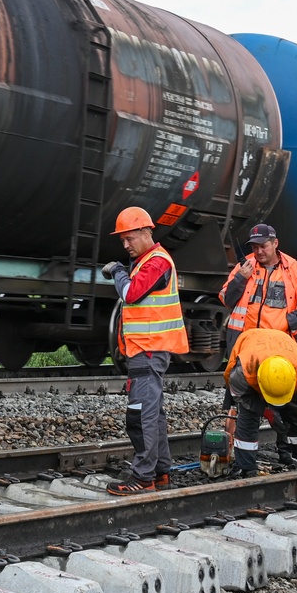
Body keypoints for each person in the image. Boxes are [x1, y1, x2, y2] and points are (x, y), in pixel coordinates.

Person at [219, 223, 297, 463]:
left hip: (282, 348)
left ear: (275, 243)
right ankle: (244, 461)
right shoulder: (245, 267)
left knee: (289, 404)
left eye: (263, 245)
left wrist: (288, 322)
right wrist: (241, 278)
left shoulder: (293, 269)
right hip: (249, 349)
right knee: (246, 408)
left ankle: (290, 453)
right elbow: (226, 299)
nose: (258, 251)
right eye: (254, 246)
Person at [100, 206, 189, 495]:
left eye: (130, 238)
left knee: (140, 416)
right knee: (154, 413)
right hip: (147, 350)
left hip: (149, 350)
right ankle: (160, 471)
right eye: (122, 240)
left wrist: (116, 271)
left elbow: (131, 293)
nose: (126, 245)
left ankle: (143, 477)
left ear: (146, 232)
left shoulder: (156, 262)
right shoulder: (147, 262)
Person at [222, 328, 297, 476]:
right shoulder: (243, 372)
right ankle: (245, 467)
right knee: (248, 416)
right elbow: (240, 396)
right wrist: (266, 412)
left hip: (284, 349)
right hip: (251, 345)